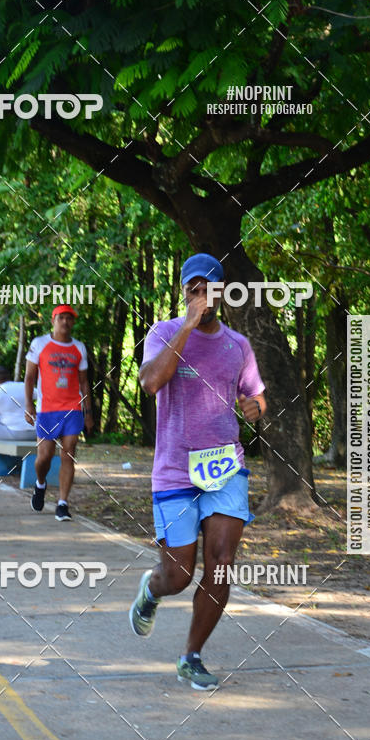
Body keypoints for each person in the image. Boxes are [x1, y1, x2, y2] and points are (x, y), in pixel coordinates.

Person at [129, 253, 267, 690]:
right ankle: (151, 591)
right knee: (179, 575)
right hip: (174, 471)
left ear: (223, 292)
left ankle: (192, 655)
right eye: (193, 288)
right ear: (184, 291)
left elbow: (258, 398)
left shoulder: (238, 346)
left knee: (222, 562)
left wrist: (255, 408)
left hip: (226, 468)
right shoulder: (165, 332)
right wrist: (187, 326)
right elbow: (150, 382)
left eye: (208, 287)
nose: (201, 295)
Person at [24, 304, 93, 521]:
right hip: (47, 409)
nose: (65, 322)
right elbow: (29, 377)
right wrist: (29, 405)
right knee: (44, 457)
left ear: (73, 322)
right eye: (61, 317)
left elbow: (84, 382)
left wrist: (88, 412)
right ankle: (40, 484)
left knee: (68, 453)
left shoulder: (79, 348)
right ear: (53, 320)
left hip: (72, 408)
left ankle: (62, 504)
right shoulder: (40, 344)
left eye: (69, 318)